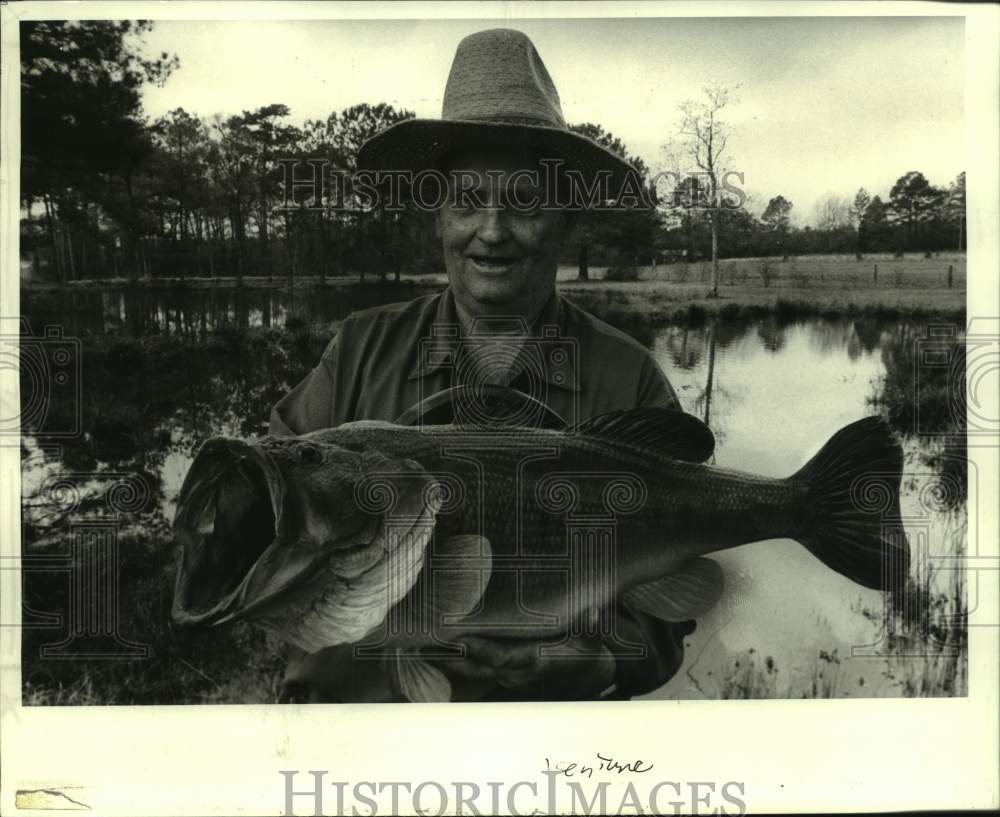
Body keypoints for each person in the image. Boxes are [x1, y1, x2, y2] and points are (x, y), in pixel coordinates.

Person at [269, 28, 695, 702]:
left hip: (544, 759)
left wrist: (595, 661)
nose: (491, 229)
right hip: (357, 751)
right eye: (467, 199)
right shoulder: (356, 352)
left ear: (565, 220)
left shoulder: (630, 377)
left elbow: (668, 605)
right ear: (437, 215)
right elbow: (266, 521)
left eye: (524, 202)